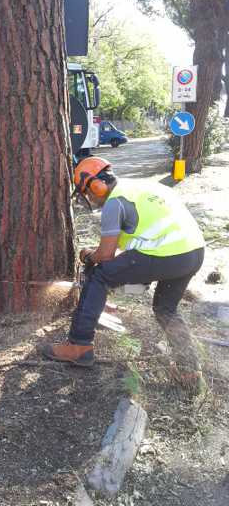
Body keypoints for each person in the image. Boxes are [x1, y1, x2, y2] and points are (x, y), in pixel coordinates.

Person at [42, 156, 206, 391]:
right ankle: (190, 370)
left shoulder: (114, 202)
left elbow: (106, 255)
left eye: (87, 193)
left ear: (97, 185)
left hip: (166, 253)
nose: (89, 198)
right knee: (165, 308)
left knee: (99, 275)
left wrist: (89, 256)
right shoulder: (142, 187)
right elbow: (138, 238)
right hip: (193, 253)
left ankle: (79, 346)